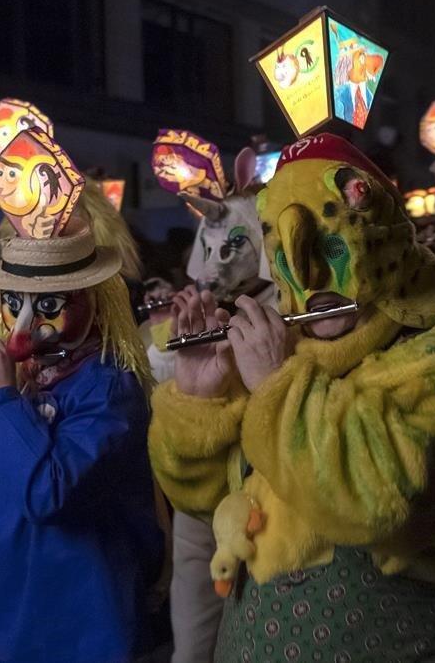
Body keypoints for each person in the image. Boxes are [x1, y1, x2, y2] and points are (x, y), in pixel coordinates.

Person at [149, 133, 435, 661]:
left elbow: (378, 500)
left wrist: (277, 387)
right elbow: (204, 499)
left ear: (381, 246)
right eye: (286, 254)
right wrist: (198, 402)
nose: (308, 277)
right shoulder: (284, 358)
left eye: (329, 248)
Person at [0, 138, 163, 661]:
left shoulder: (108, 385)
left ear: (89, 302)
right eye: (13, 303)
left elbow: (48, 494)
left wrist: (3, 398)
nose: (24, 326)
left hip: (83, 626)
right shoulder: (21, 377)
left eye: (49, 305)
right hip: (12, 618)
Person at [152, 146, 278, 663]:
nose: (220, 258)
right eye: (213, 243)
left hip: (266, 502)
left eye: (235, 244)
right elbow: (161, 382)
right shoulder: (188, 317)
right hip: (200, 505)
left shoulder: (290, 313)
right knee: (191, 643)